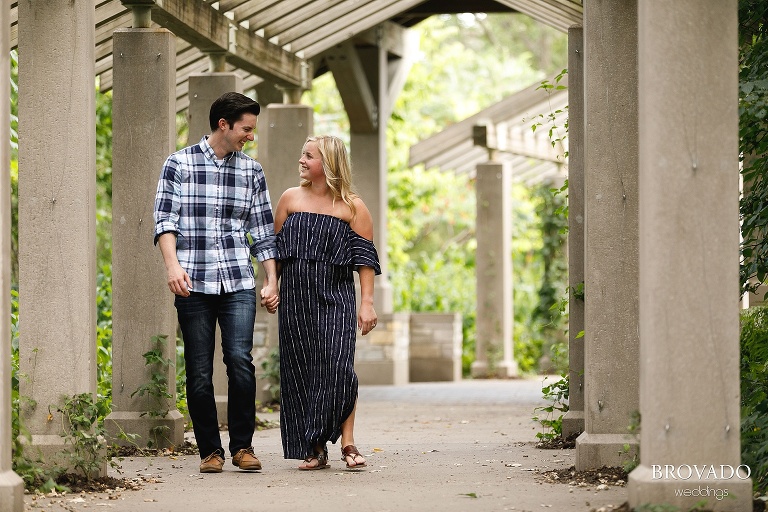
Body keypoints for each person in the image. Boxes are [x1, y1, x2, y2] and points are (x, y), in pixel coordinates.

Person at [153, 92, 279, 474]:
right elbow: (164, 221)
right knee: (199, 368)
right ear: (223, 124)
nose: (250, 136)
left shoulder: (251, 171)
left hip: (238, 278)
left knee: (240, 360)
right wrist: (172, 266)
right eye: (246, 129)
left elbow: (263, 230)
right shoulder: (179, 164)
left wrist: (272, 279)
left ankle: (242, 446)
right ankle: (210, 450)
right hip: (192, 279)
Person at [274, 135, 380, 470]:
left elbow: (364, 260)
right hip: (295, 298)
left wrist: (367, 303)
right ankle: (315, 447)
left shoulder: (353, 207)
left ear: (328, 164)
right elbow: (274, 251)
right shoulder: (289, 199)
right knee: (301, 370)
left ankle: (347, 442)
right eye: (302, 154)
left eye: (308, 156)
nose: (301, 160)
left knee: (339, 368)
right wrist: (269, 285)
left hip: (336, 296)